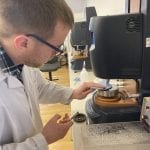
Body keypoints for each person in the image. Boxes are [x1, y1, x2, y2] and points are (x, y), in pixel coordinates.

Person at [0, 0, 102, 149]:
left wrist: (72, 93)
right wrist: (43, 139)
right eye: (56, 47)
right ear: (23, 43)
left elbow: (40, 88)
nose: (58, 54)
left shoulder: (23, 60)